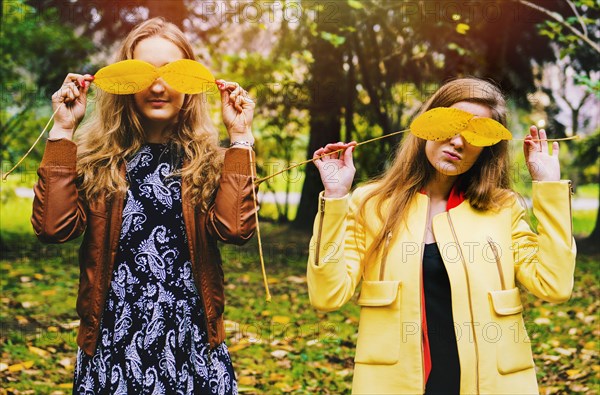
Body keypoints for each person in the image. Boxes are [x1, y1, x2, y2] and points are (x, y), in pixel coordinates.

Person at [307, 77, 576, 394]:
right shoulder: (371, 204)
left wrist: (549, 189)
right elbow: (327, 295)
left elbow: (554, 284)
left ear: (488, 149)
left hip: (491, 386)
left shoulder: (503, 209)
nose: (459, 142)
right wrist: (336, 198)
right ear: (426, 124)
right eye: (450, 125)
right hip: (396, 385)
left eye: (476, 134)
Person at [31, 17, 257, 394]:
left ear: (190, 84)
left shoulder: (213, 162)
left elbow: (235, 231)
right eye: (144, 72)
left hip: (193, 347)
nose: (157, 85)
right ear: (124, 83)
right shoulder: (95, 160)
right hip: (111, 347)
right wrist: (62, 132)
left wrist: (239, 138)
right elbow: (54, 229)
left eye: (171, 72)